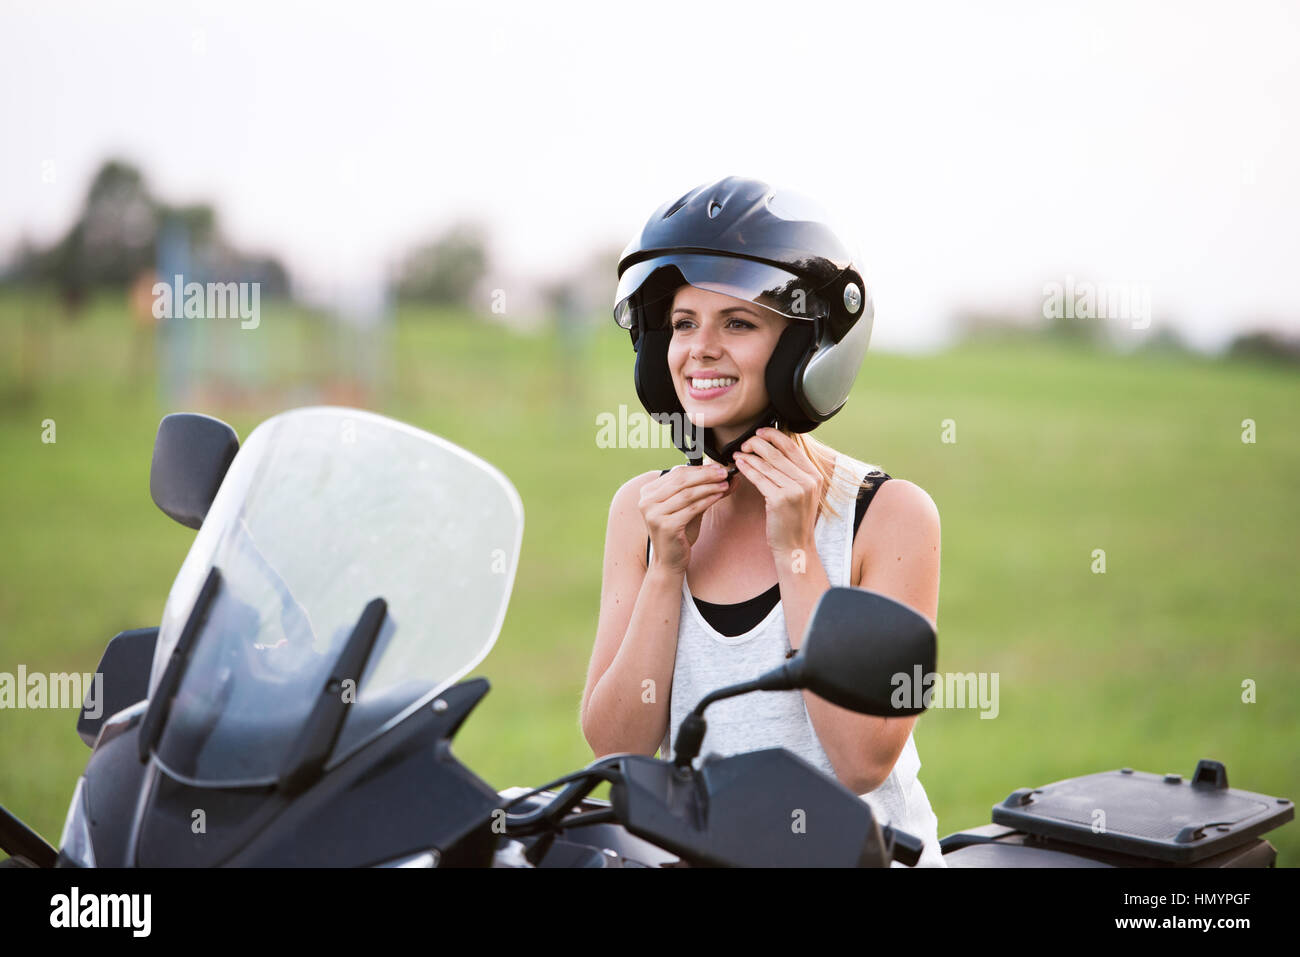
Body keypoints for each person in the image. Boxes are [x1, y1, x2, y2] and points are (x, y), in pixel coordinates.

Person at [579, 176, 946, 867]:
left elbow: (862, 759)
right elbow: (618, 752)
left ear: (803, 350)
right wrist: (665, 567)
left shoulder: (887, 515)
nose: (700, 349)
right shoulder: (640, 511)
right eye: (684, 323)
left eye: (739, 323)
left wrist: (798, 551)